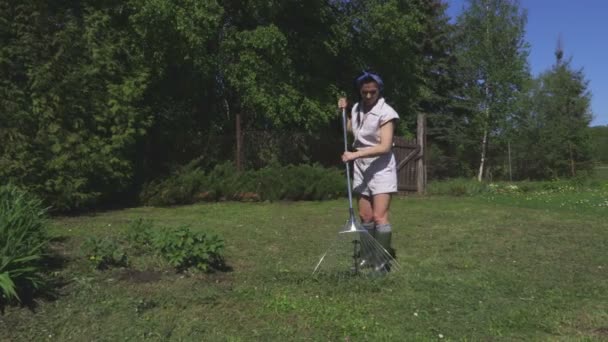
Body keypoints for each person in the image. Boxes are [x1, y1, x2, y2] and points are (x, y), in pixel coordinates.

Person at [338, 71, 399, 268]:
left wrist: (354, 155)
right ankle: (366, 255)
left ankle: (381, 261)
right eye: (365, 92)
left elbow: (385, 147)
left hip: (381, 167)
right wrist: (344, 111)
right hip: (361, 166)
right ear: (360, 91)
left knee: (379, 216)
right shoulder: (357, 108)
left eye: (373, 92)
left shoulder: (386, 112)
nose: (369, 96)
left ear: (379, 90)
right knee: (365, 216)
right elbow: (351, 130)